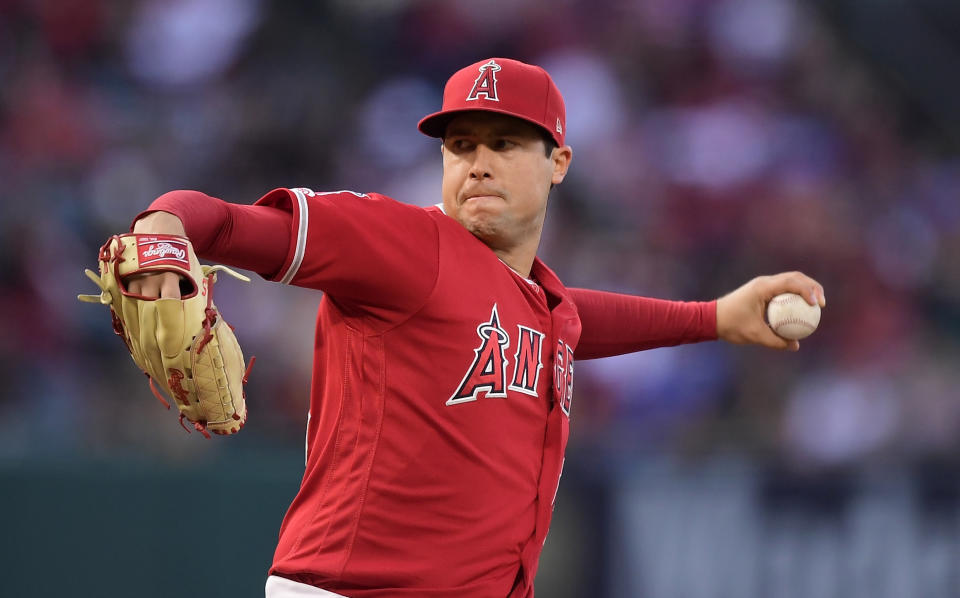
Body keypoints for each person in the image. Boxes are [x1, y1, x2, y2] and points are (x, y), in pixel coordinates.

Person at [125, 58, 825, 597]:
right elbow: (230, 222)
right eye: (461, 145)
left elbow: (575, 323)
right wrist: (162, 225)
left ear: (559, 162)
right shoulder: (401, 244)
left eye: (504, 143)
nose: (478, 163)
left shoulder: (535, 301)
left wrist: (712, 318)